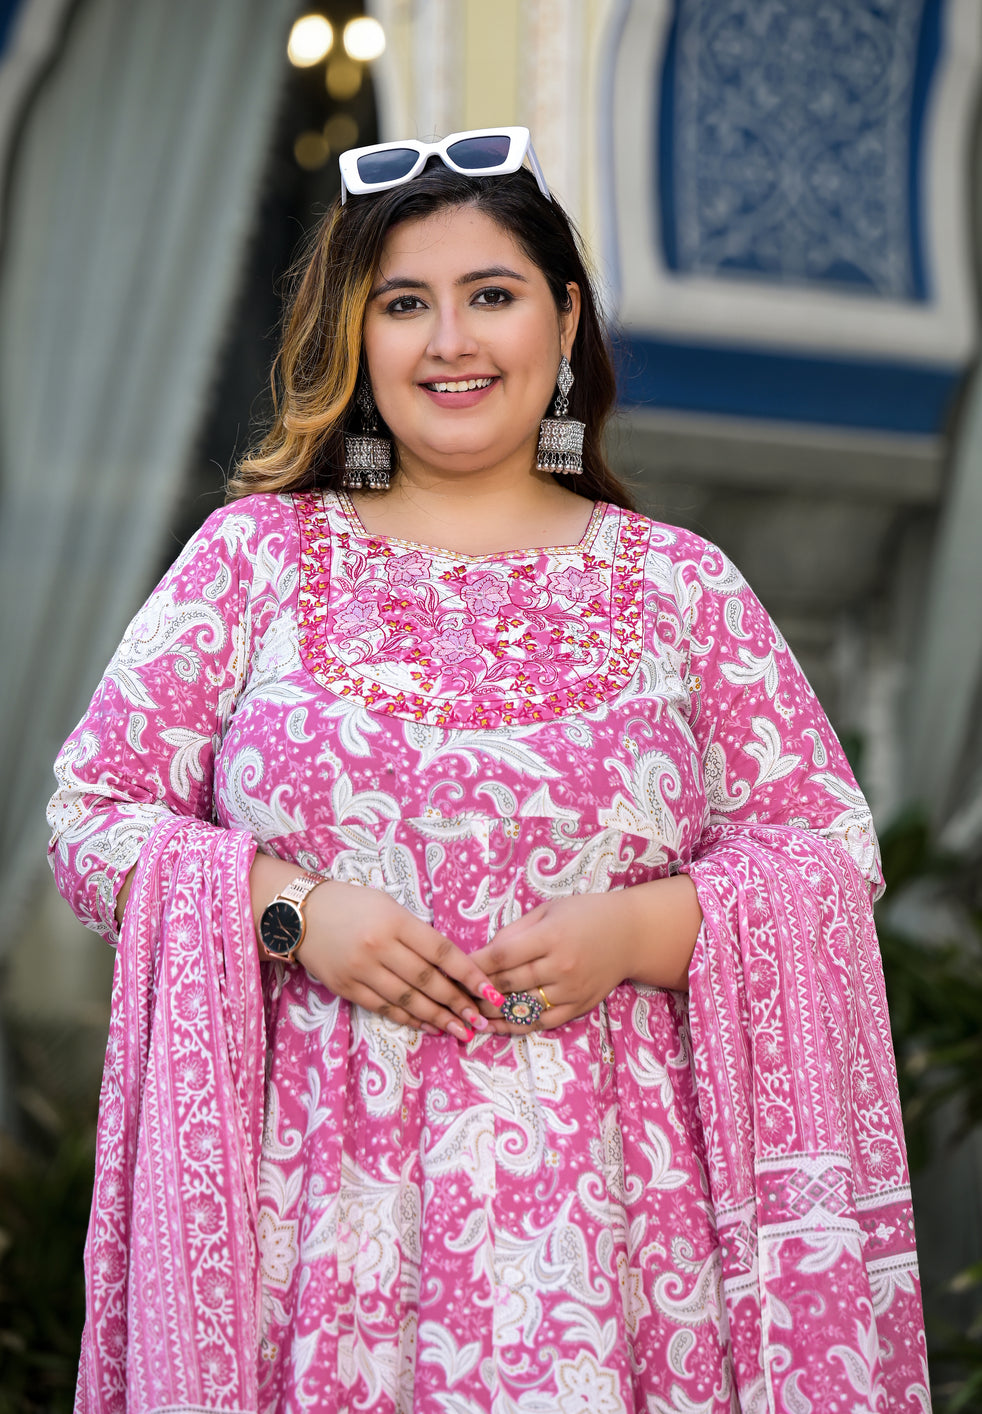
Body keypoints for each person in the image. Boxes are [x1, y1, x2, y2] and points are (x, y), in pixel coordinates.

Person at [49, 128, 928, 1413]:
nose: (450, 341)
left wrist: (635, 930)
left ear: (563, 320)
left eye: (492, 295)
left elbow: (828, 856)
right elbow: (92, 816)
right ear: (357, 335)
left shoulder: (680, 589)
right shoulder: (255, 563)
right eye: (404, 303)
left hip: (622, 1252)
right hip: (311, 1235)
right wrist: (293, 912)